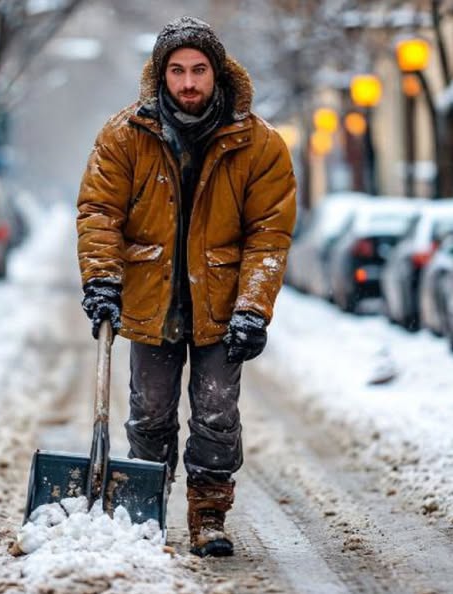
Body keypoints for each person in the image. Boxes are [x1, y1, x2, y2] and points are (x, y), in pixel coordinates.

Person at [77, 16, 296, 557]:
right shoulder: (125, 135)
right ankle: (146, 512)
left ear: (218, 74)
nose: (189, 82)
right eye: (177, 71)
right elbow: (100, 213)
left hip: (220, 305)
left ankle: (208, 517)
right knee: (149, 414)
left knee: (217, 414)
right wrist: (103, 279)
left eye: (199, 70)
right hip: (152, 300)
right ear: (161, 75)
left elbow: (269, 233)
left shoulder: (259, 144)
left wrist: (253, 307)